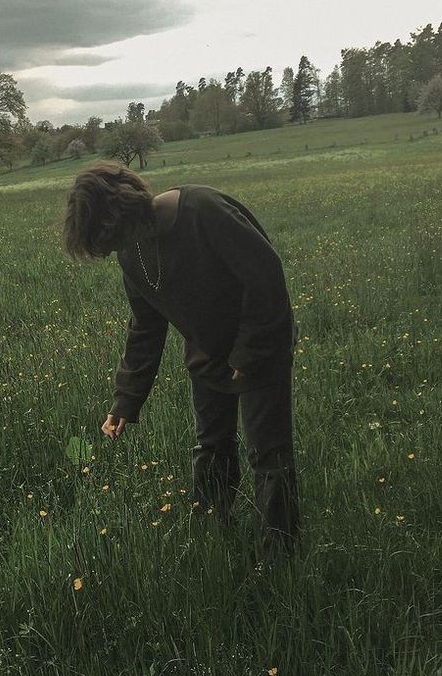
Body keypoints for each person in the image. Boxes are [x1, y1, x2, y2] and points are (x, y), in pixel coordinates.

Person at [62, 161, 301, 557]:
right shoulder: (130, 254)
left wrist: (248, 352)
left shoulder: (203, 211)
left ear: (124, 211)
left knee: (269, 455)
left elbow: (266, 278)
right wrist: (126, 399)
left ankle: (280, 554)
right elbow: (145, 327)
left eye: (115, 237)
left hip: (263, 346)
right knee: (211, 445)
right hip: (206, 354)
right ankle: (213, 528)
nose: (120, 248)